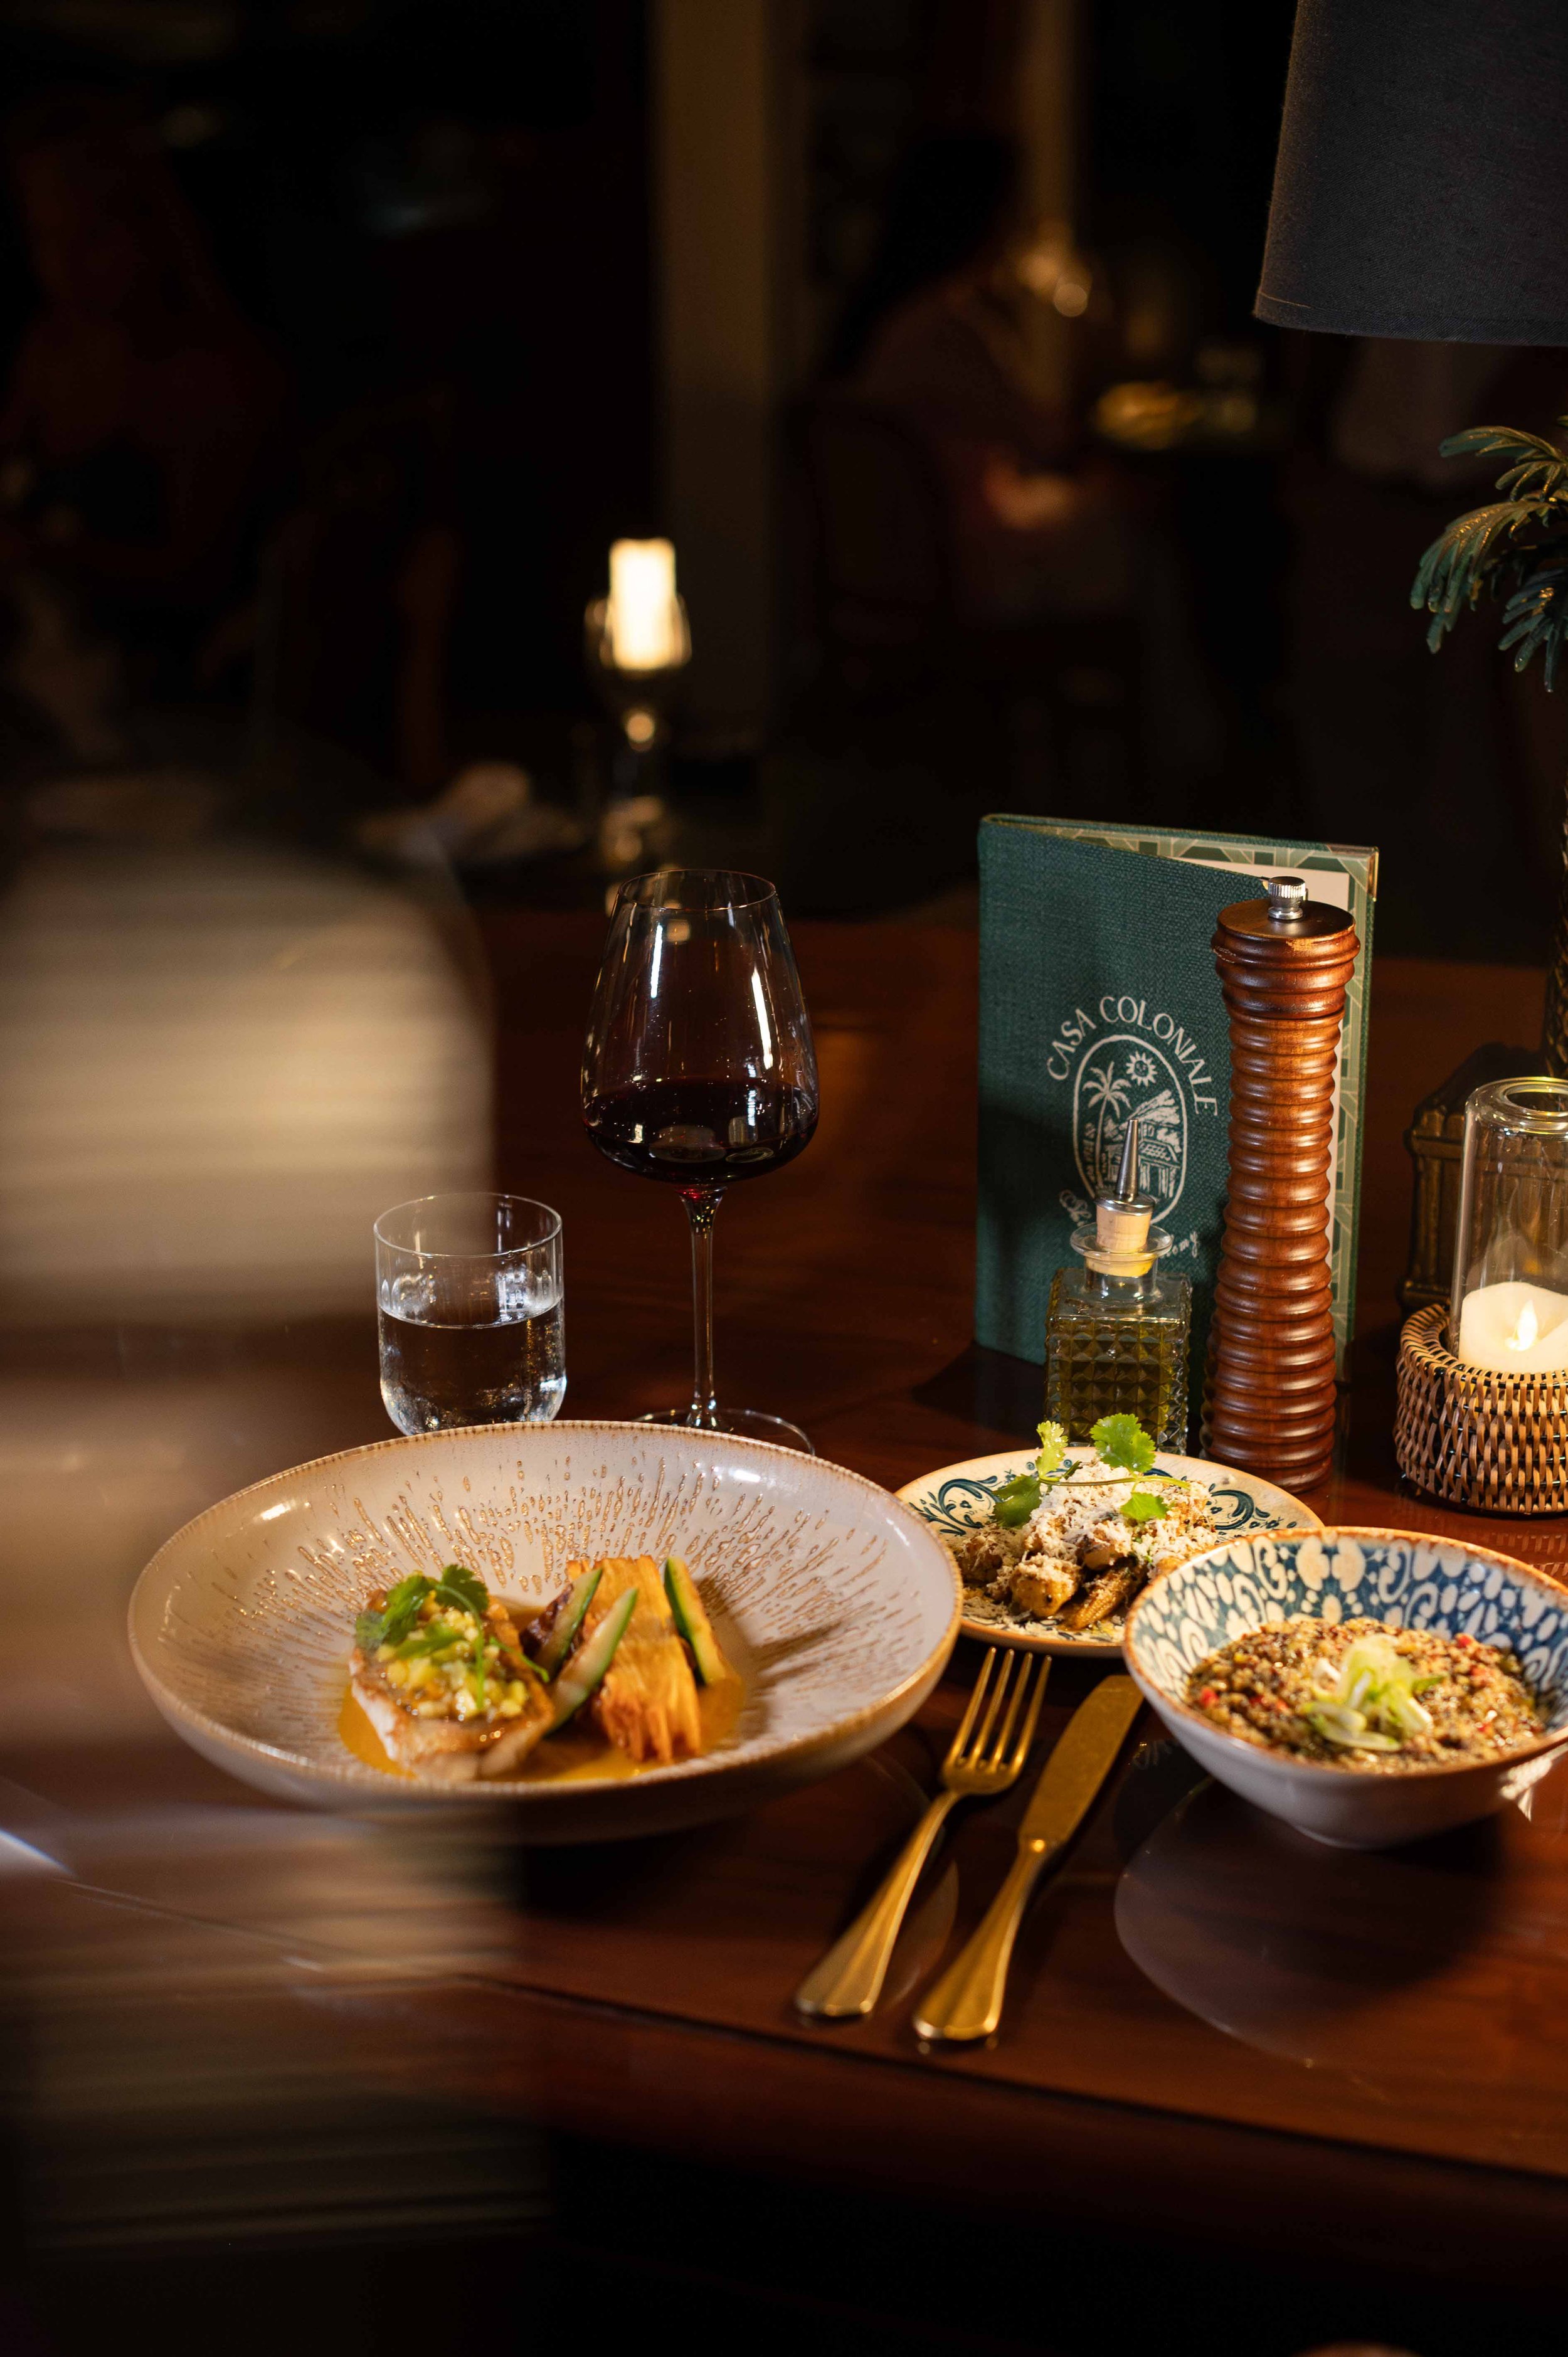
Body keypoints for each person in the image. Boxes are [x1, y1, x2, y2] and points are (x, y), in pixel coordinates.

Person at [0, 94, 288, 749]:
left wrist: (44, 555)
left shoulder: (210, 375)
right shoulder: (48, 352)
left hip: (170, 708)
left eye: (91, 233)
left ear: (148, 222)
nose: (66, 264)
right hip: (42, 678)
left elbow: (198, 578)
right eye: (47, 237)